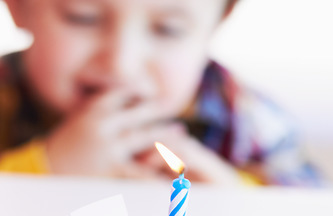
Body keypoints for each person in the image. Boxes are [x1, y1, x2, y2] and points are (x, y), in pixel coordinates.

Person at [0, 0, 326, 186]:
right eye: (83, 17)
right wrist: (43, 169)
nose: (121, 64)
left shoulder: (251, 119)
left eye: (168, 29)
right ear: (18, 7)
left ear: (216, 22)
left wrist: (232, 196)